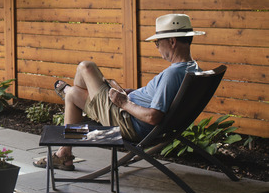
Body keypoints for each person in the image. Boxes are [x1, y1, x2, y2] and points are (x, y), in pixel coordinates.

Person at [33, 13, 206, 171]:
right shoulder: (193, 69)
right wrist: (132, 94)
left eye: (157, 42)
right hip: (131, 115)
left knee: (86, 67)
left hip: (128, 122)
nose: (157, 47)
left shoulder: (173, 74)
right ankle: (65, 148)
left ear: (172, 42)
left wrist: (124, 102)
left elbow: (153, 117)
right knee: (73, 96)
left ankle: (76, 104)